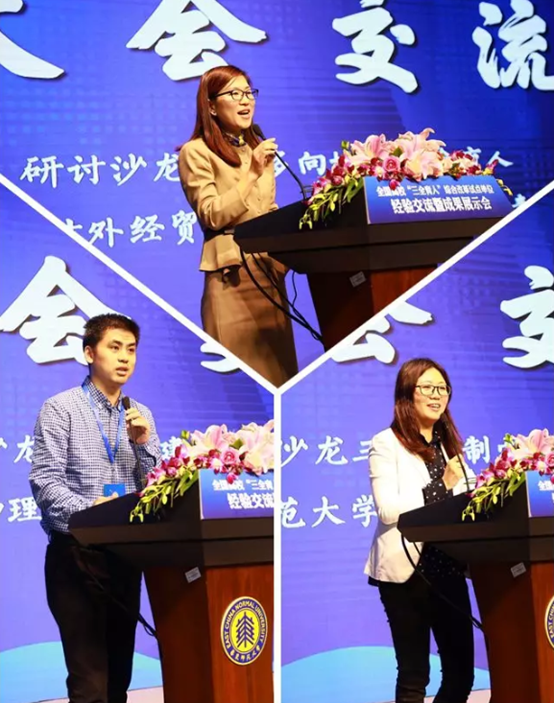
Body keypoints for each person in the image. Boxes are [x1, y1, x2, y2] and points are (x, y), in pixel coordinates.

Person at [29, 313, 161, 703]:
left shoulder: (141, 415)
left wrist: (143, 445)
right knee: (90, 684)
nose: (125, 358)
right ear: (90, 353)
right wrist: (92, 512)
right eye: (114, 347)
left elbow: (157, 489)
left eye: (131, 350)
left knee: (119, 680)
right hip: (77, 556)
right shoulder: (61, 408)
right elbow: (45, 482)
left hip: (125, 557)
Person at [178, 64, 298, 387]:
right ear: (211, 106)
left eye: (248, 92)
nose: (245, 100)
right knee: (240, 382)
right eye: (234, 94)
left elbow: (267, 209)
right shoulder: (196, 152)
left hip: (269, 276)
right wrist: (252, 173)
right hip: (232, 278)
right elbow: (211, 213)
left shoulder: (256, 149)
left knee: (280, 379)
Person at [365, 358, 476, 703]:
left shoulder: (448, 445)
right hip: (406, 575)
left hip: (449, 568)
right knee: (415, 677)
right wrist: (441, 487)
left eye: (442, 388)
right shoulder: (386, 443)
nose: (436, 395)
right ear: (407, 394)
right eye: (427, 387)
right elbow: (388, 510)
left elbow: (466, 499)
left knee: (461, 674)